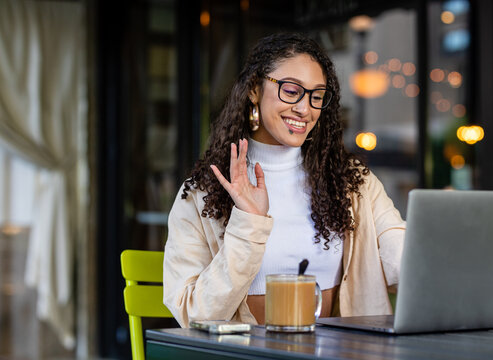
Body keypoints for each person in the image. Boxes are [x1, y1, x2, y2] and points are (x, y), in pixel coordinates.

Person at [163, 32, 406, 327]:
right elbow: (194, 315)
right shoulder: (203, 194)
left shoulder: (353, 183)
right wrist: (249, 223)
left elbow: (404, 259)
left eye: (316, 97)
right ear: (254, 89)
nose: (305, 109)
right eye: (291, 91)